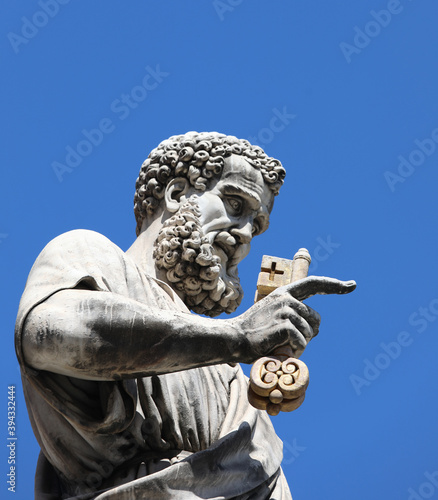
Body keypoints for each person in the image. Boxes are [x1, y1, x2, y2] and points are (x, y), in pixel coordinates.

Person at [15, 132, 355, 499]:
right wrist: (238, 336)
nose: (244, 235)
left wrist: (235, 344)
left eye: (255, 226)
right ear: (177, 195)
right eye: (235, 204)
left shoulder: (235, 383)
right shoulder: (91, 257)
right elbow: (45, 334)